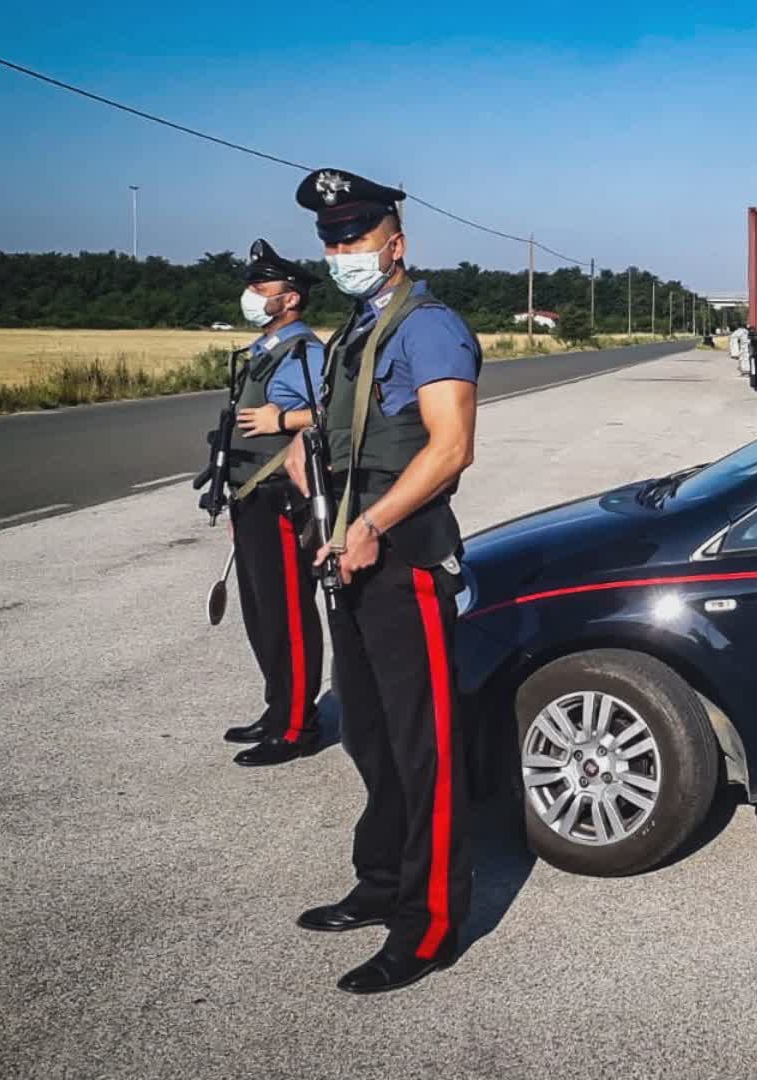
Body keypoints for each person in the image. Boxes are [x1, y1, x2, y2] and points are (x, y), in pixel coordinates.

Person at [282, 169, 481, 995]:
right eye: (331, 239)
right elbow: (347, 431)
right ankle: (382, 883)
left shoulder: (428, 328)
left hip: (401, 560)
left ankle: (429, 924)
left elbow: (450, 445)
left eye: (356, 236)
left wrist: (371, 524)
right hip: (347, 556)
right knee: (368, 732)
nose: (341, 251)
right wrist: (307, 453)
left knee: (422, 746)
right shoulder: (357, 329)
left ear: (396, 244)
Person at [220, 239, 326, 768]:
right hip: (249, 497)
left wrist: (282, 421)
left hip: (281, 499)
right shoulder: (264, 352)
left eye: (262, 288)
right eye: (252, 286)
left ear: (291, 300)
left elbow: (332, 412)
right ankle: (276, 706)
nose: (252, 295)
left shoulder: (305, 352)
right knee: (261, 615)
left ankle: (296, 725)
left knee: (288, 614)